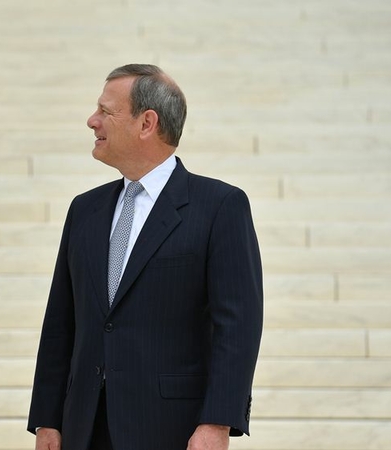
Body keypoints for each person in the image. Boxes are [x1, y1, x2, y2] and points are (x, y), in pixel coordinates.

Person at [27, 64, 263, 450]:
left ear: (146, 123)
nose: (92, 120)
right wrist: (46, 420)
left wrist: (217, 422)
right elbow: (60, 324)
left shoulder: (220, 206)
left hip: (172, 428)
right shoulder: (84, 210)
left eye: (106, 111)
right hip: (84, 427)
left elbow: (237, 327)